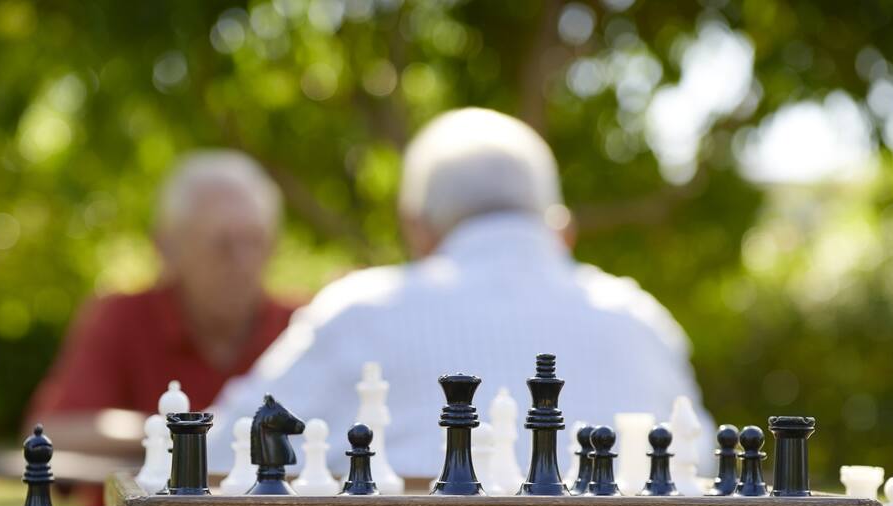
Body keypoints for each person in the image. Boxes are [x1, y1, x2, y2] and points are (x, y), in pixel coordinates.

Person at [209, 108, 711, 477]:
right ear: (564, 229)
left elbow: (212, 452)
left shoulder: (358, 312)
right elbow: (705, 463)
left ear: (416, 228)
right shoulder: (642, 320)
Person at [28, 151, 296, 457]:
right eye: (221, 245)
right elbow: (51, 431)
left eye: (255, 242)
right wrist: (189, 434)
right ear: (167, 247)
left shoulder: (301, 326)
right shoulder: (122, 317)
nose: (243, 263)